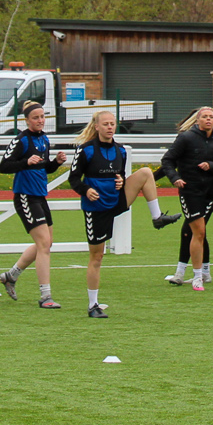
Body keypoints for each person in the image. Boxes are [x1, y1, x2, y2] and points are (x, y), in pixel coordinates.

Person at [68, 109, 177, 317]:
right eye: (106, 124)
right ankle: (93, 305)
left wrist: (121, 181)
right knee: (97, 256)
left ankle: (157, 217)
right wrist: (86, 190)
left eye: (112, 124)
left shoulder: (121, 151)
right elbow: (74, 179)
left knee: (145, 172)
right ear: (97, 126)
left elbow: (119, 175)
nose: (110, 127)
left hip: (116, 201)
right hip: (96, 208)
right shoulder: (86, 150)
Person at [0, 102, 68, 308]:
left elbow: (43, 168)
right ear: (26, 120)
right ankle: (45, 296)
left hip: (40, 196)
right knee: (44, 244)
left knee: (46, 243)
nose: (40, 120)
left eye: (42, 116)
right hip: (25, 197)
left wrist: (55, 162)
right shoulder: (21, 140)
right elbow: (4, 166)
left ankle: (11, 276)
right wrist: (25, 162)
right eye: (35, 117)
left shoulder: (44, 139)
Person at [160, 106, 213, 290]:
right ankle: (189, 273)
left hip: (209, 193)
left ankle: (195, 273)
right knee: (194, 231)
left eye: (211, 117)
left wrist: (211, 166)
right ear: (197, 120)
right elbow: (168, 160)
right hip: (190, 191)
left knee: (197, 231)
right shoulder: (186, 138)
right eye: (205, 117)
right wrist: (175, 178)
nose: (208, 119)